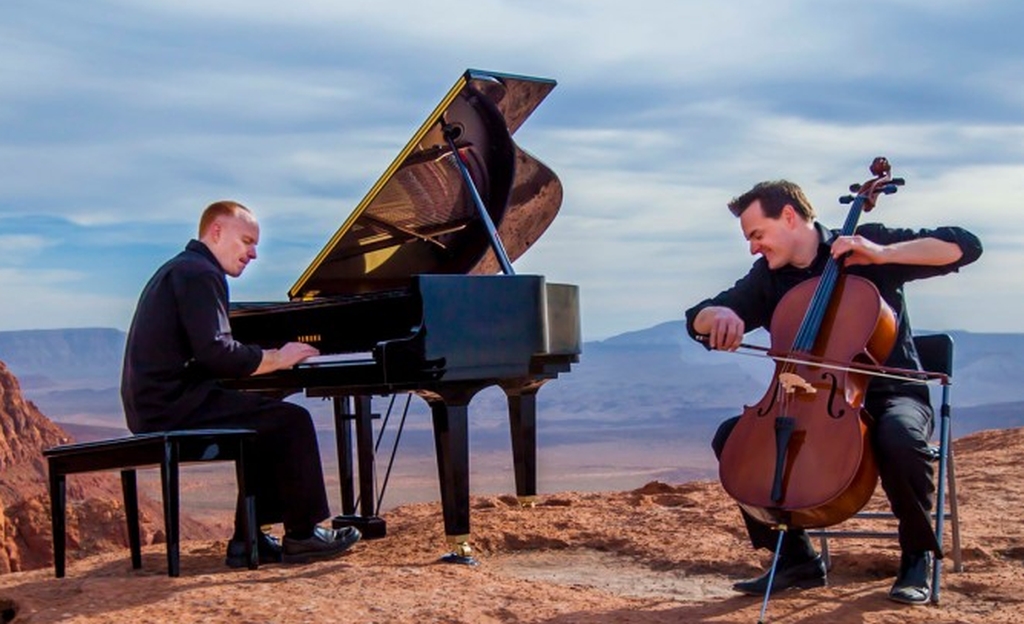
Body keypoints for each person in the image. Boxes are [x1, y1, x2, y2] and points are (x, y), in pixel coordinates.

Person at [685, 179, 982, 604]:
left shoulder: (866, 247)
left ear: (788, 217)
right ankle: (795, 558)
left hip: (892, 393)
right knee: (733, 439)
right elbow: (698, 315)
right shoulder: (769, 277)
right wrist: (719, 317)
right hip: (809, 400)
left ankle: (917, 556)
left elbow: (965, 246)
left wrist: (884, 254)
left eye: (757, 234)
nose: (753, 247)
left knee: (897, 436)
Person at [121, 200, 361, 567]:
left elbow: (207, 353)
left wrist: (258, 362)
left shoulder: (182, 269)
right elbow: (216, 352)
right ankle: (302, 535)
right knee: (290, 421)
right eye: (247, 240)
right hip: (172, 406)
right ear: (216, 231)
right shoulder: (201, 273)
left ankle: (248, 538)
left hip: (159, 402)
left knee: (263, 421)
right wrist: (277, 357)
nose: (253, 253)